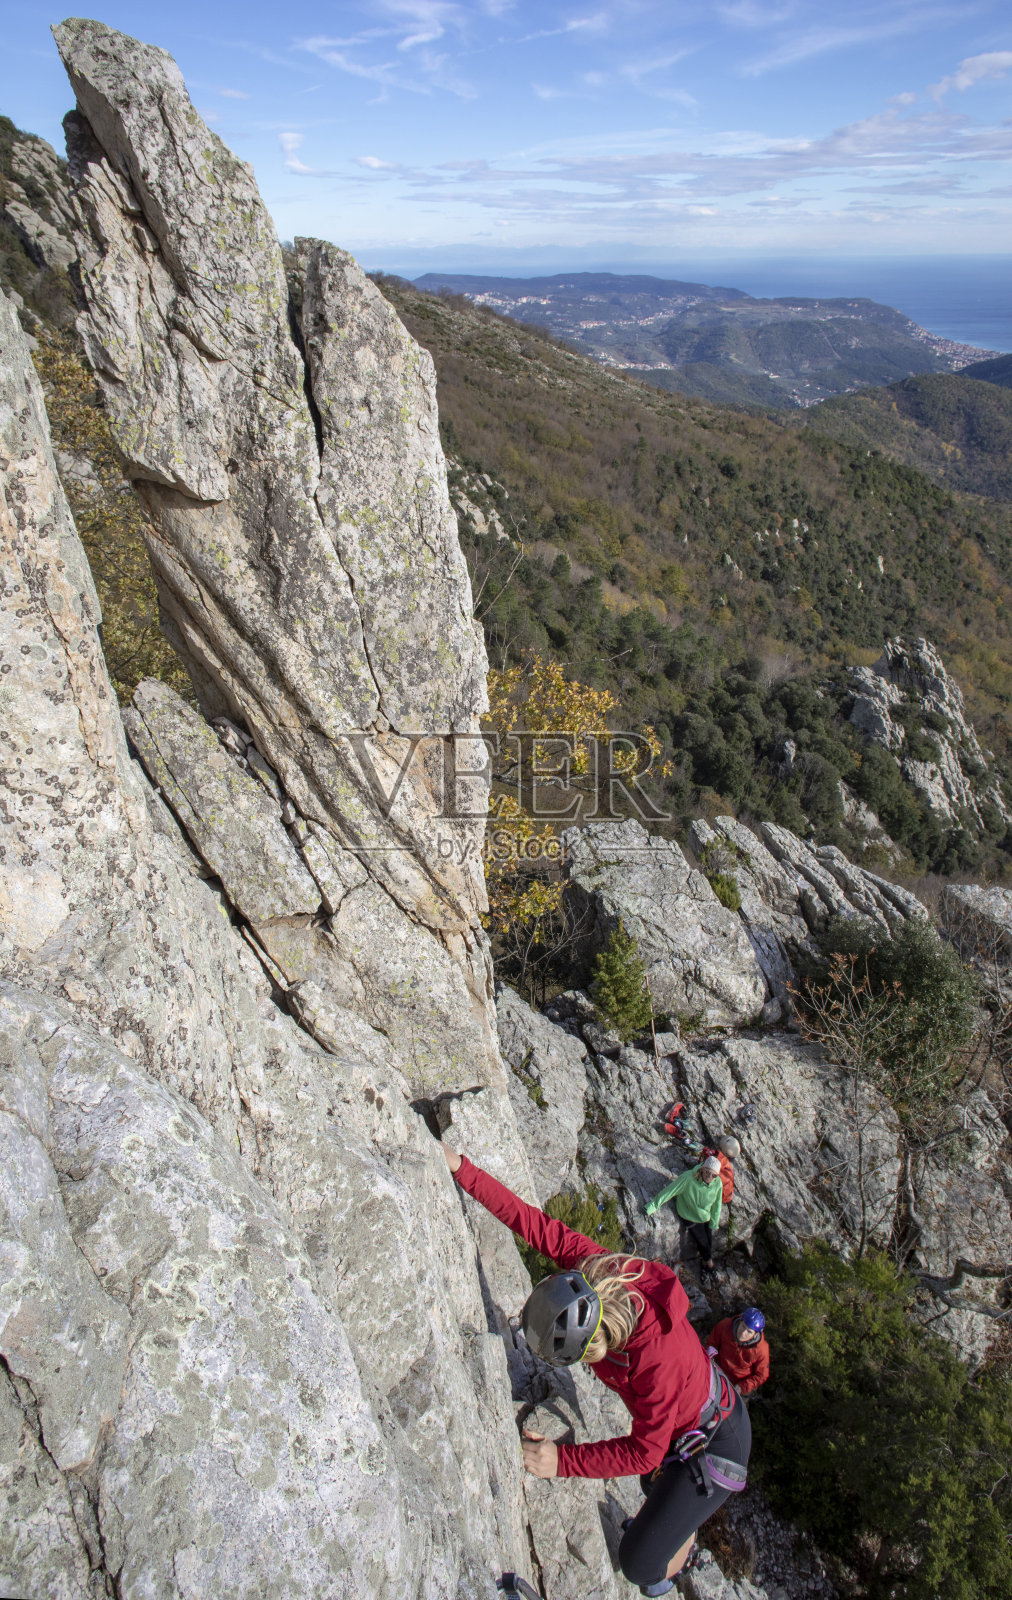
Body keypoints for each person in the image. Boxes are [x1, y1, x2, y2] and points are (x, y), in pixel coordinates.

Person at [442, 1143, 751, 1597]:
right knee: (654, 1484)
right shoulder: (600, 1271)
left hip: (718, 1442)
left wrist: (561, 1462)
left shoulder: (655, 1360)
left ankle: (679, 1556)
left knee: (639, 1565)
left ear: (598, 1344)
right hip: (690, 1415)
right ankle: (677, 1513)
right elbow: (536, 1226)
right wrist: (461, 1169)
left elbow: (645, 1452)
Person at [644, 1156, 724, 1271]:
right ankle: (710, 1266)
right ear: (702, 1169)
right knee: (703, 1242)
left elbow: (717, 1204)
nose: (709, 1176)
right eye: (707, 1172)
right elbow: (669, 1191)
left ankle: (705, 1263)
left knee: (708, 1241)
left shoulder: (717, 1183)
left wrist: (714, 1222)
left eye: (713, 1175)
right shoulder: (688, 1179)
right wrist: (652, 1206)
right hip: (689, 1214)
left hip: (705, 1216)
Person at [707, 1308, 769, 1396]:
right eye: (743, 1326)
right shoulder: (725, 1326)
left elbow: (761, 1375)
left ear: (755, 1335)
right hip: (716, 1371)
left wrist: (741, 1387)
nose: (743, 1333)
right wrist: (709, 1362)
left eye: (749, 1332)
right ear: (740, 1321)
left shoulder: (761, 1350)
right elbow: (711, 1344)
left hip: (738, 1384)